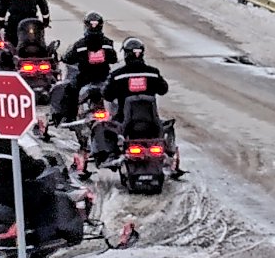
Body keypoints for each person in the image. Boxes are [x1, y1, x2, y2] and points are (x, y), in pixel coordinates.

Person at [0, 132, 80, 245]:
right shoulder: (9, 148)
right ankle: (42, 236)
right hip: (13, 194)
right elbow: (30, 169)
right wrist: (44, 162)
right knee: (46, 195)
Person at [102, 37, 182, 177]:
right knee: (168, 126)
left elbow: (107, 95)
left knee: (105, 128)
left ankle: (112, 155)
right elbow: (163, 90)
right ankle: (169, 152)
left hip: (125, 122)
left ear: (126, 54)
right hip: (151, 122)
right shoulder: (152, 73)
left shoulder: (118, 75)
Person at [50, 12, 118, 128]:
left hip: (85, 78)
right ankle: (118, 117)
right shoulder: (107, 43)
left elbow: (69, 58)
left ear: (86, 26)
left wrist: (63, 58)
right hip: (104, 77)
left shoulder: (80, 45)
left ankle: (70, 117)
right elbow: (113, 59)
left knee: (70, 90)